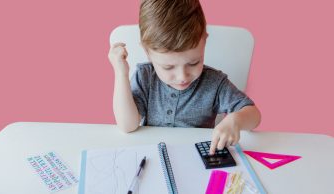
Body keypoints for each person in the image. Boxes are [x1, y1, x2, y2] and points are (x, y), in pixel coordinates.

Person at [108, 0, 261, 154]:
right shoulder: (145, 76)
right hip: (153, 155)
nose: (182, 77)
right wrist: (121, 74)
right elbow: (127, 125)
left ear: (204, 42)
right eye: (168, 67)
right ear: (147, 53)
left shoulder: (214, 82)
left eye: (194, 63)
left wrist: (236, 120)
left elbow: (254, 115)